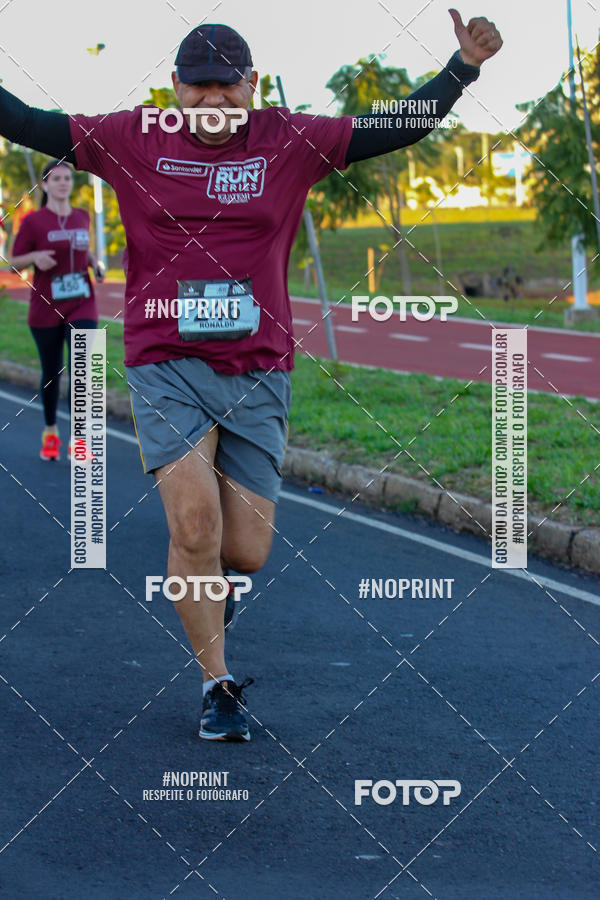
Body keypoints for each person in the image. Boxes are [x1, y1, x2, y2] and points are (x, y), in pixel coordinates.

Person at [0, 10, 502, 739]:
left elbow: (393, 126)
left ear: (251, 83)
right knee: (194, 527)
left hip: (258, 368)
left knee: (246, 551)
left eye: (226, 87)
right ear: (173, 88)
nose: (212, 101)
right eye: (197, 88)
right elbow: (25, 120)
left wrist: (461, 68)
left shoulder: (288, 139)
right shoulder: (132, 136)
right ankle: (218, 684)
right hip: (165, 361)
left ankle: (212, 586)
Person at [9, 160, 104, 459]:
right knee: (52, 374)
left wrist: (95, 264)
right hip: (46, 305)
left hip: (82, 300)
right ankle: (50, 431)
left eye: (68, 178)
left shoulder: (82, 216)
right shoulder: (34, 222)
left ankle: (79, 439)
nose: (64, 183)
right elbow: (15, 262)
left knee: (82, 367)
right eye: (57, 178)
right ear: (46, 185)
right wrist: (36, 256)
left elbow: (84, 249)